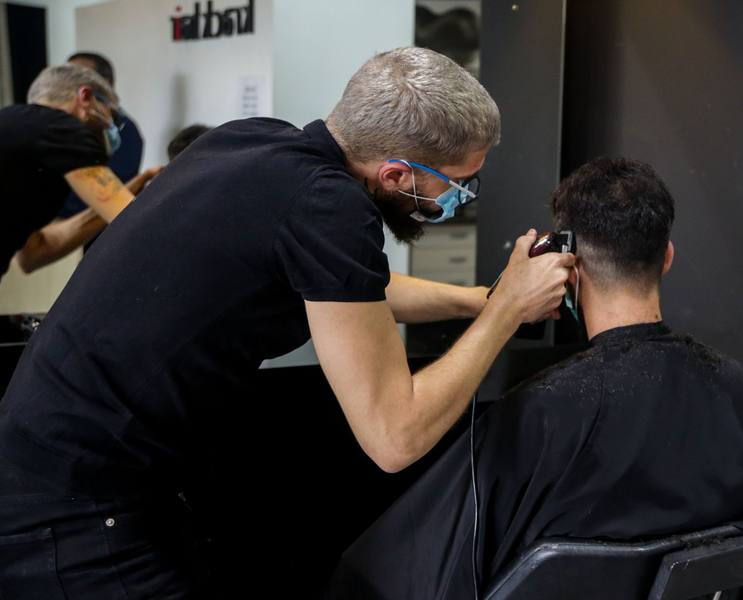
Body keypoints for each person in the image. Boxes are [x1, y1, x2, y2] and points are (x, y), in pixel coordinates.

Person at [0, 47, 573, 598]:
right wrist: (504, 314)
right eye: (455, 183)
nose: (459, 198)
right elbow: (395, 437)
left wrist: (478, 299)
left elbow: (349, 290)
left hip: (51, 467)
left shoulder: (248, 141)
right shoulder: (331, 208)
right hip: (77, 502)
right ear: (399, 175)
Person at [326, 158, 743, 600]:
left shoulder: (542, 410)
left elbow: (404, 568)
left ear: (567, 265)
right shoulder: (737, 388)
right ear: (668, 257)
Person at [0, 64, 159, 278]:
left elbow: (33, 254)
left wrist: (130, 190)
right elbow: (136, 225)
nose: (110, 127)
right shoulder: (64, 129)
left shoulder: (15, 127)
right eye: (110, 114)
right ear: (86, 97)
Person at [59, 52, 146, 220]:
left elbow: (104, 195)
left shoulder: (124, 133)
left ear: (105, 83)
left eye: (76, 77)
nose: (66, 85)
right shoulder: (65, 125)